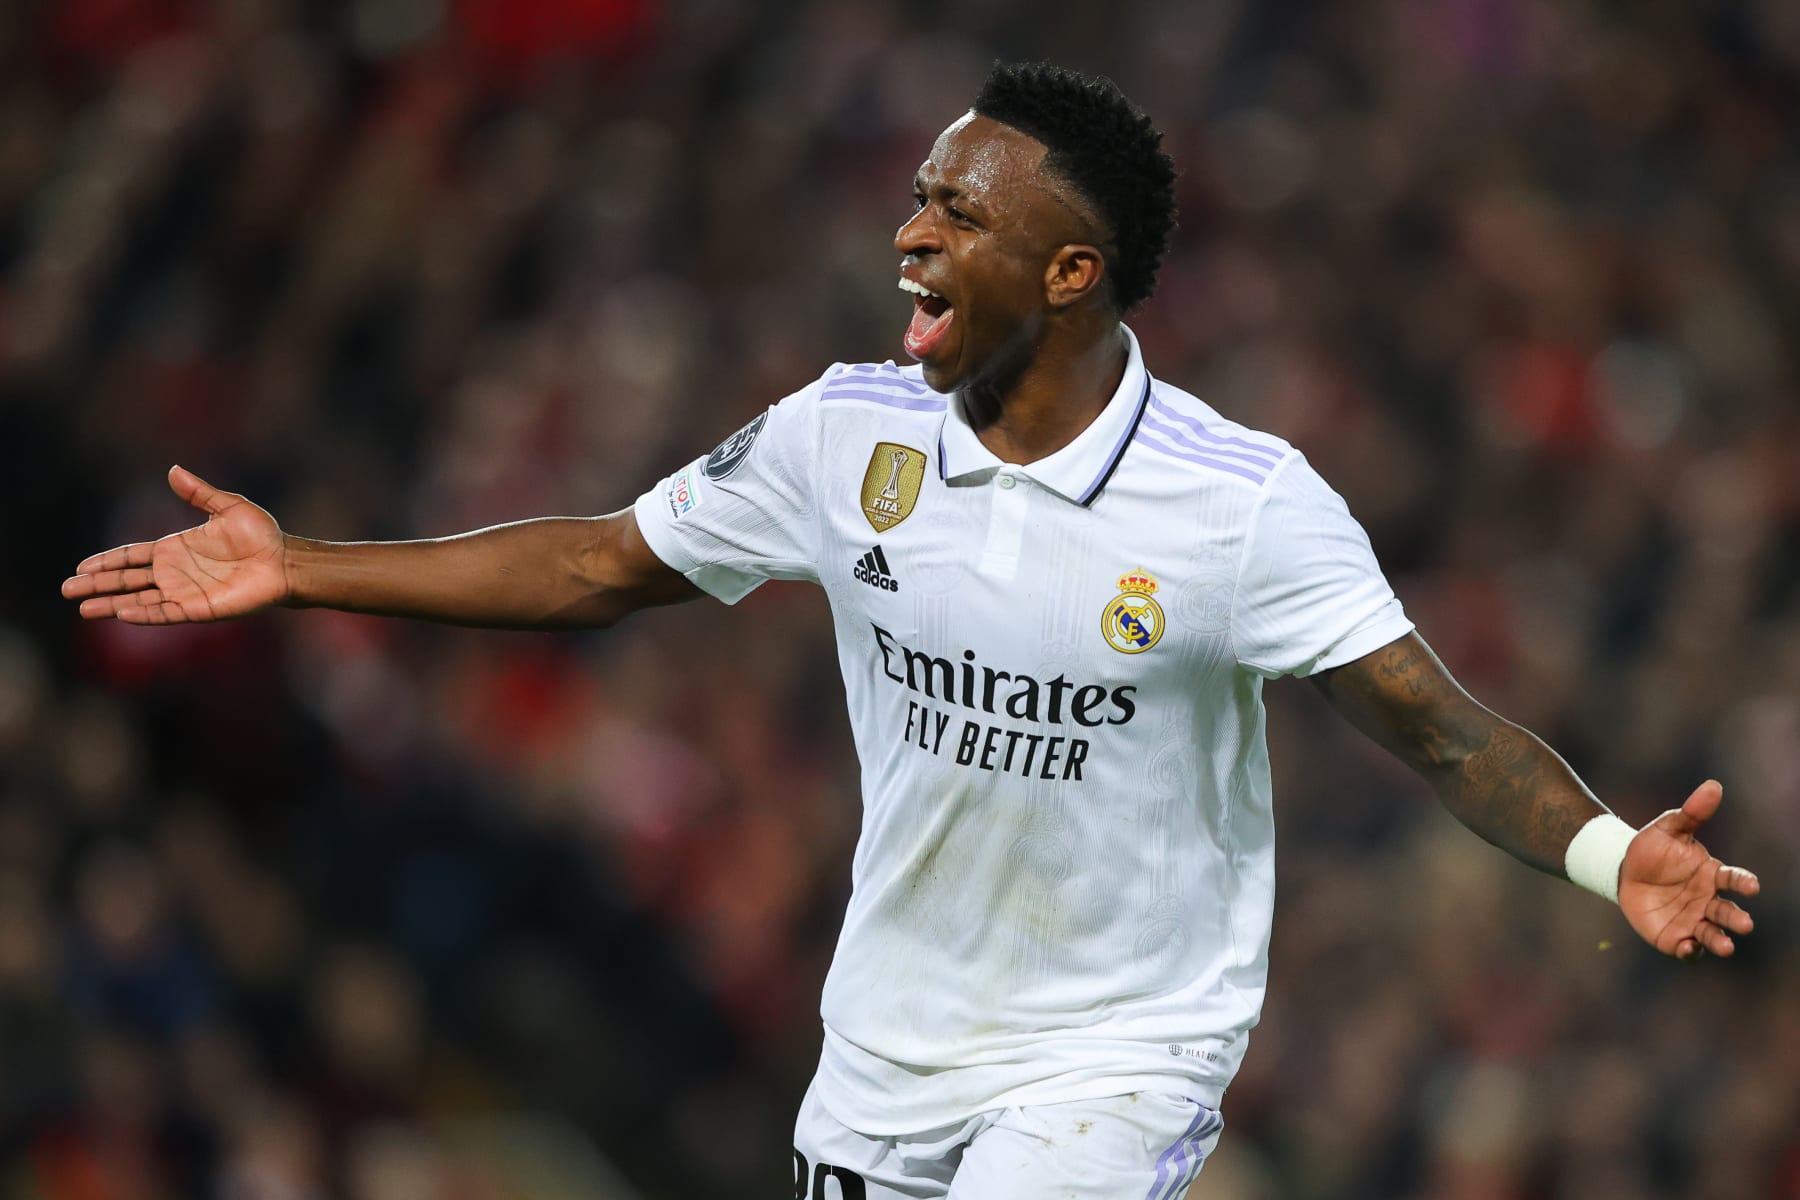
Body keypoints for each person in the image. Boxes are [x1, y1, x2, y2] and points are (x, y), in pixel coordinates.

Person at [64, 61, 1759, 1199]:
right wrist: (305, 567)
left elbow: (1446, 732)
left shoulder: (1241, 504)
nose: (911, 233)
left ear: (1074, 273)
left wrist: (1617, 860)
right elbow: (598, 566)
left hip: (1118, 1055)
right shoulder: (845, 437)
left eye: (958, 211)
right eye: (921, 196)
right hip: (884, 1049)